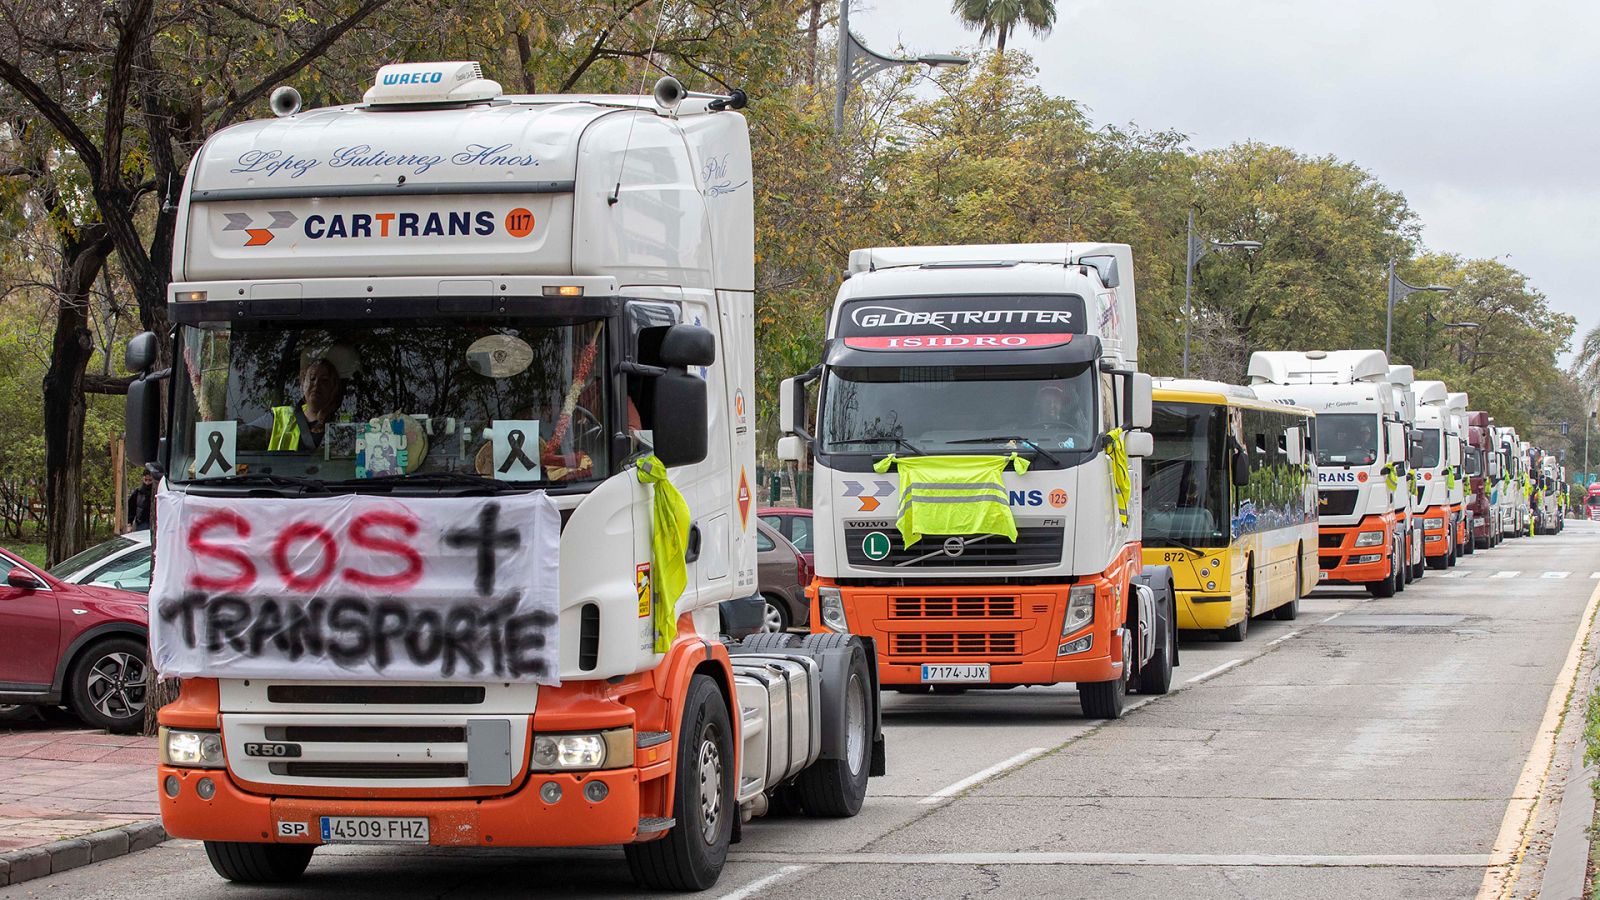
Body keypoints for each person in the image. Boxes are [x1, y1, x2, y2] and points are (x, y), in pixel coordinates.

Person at [268, 358, 344, 451]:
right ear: (303, 385)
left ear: (333, 388)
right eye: (312, 378)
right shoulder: (278, 417)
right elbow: (247, 434)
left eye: (324, 380)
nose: (316, 384)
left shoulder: (343, 425)